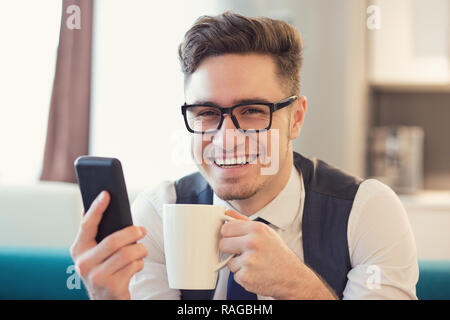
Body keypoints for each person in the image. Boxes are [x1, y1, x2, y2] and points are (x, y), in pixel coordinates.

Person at [70, 11, 418, 300]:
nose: (227, 139)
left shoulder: (367, 211)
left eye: (252, 110)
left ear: (295, 117)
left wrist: (299, 288)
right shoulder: (159, 215)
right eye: (206, 112)